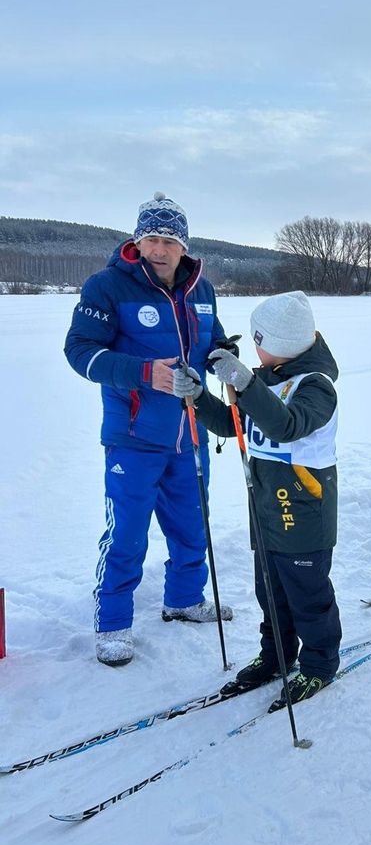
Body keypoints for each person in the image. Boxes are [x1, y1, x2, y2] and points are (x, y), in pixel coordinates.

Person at [64, 192, 231, 667]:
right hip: (133, 435)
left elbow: (212, 338)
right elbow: (80, 351)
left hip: (189, 431)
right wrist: (144, 373)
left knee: (192, 523)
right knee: (127, 536)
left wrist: (224, 356)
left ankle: (183, 599)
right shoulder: (107, 287)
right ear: (138, 240)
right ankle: (113, 624)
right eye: (151, 238)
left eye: (169, 240)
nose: (159, 249)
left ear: (184, 246)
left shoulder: (203, 289)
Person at [173, 291, 342, 706]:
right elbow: (234, 425)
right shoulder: (268, 376)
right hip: (266, 507)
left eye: (259, 341)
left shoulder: (315, 387)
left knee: (307, 595)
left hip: (304, 509)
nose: (255, 349)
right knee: (270, 591)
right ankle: (277, 656)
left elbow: (286, 425)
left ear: (281, 343)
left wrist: (246, 382)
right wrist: (197, 397)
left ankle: (319, 663)